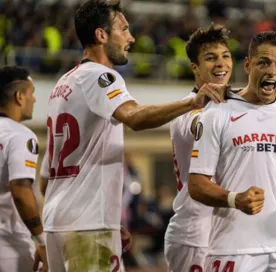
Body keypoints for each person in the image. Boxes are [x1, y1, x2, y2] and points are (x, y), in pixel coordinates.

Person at [39, 1, 226, 271]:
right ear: (101, 35)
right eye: (124, 29)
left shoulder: (63, 83)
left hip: (58, 222)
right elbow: (135, 117)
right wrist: (192, 103)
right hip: (88, 224)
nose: (131, 37)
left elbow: (45, 179)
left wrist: (112, 223)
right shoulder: (101, 75)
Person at [188, 31, 276, 271]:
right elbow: (197, 184)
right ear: (248, 64)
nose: (271, 71)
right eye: (263, 62)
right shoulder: (217, 113)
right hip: (234, 247)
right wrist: (234, 199)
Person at [165, 24, 276, 272]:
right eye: (210, 58)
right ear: (195, 67)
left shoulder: (228, 104)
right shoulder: (189, 109)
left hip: (226, 232)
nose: (221, 64)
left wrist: (272, 98)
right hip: (194, 234)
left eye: (225, 56)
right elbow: (202, 123)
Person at [0, 66, 48, 271]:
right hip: (10, 245)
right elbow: (20, 189)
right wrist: (42, 241)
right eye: (32, 93)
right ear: (20, 97)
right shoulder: (20, 135)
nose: (35, 100)